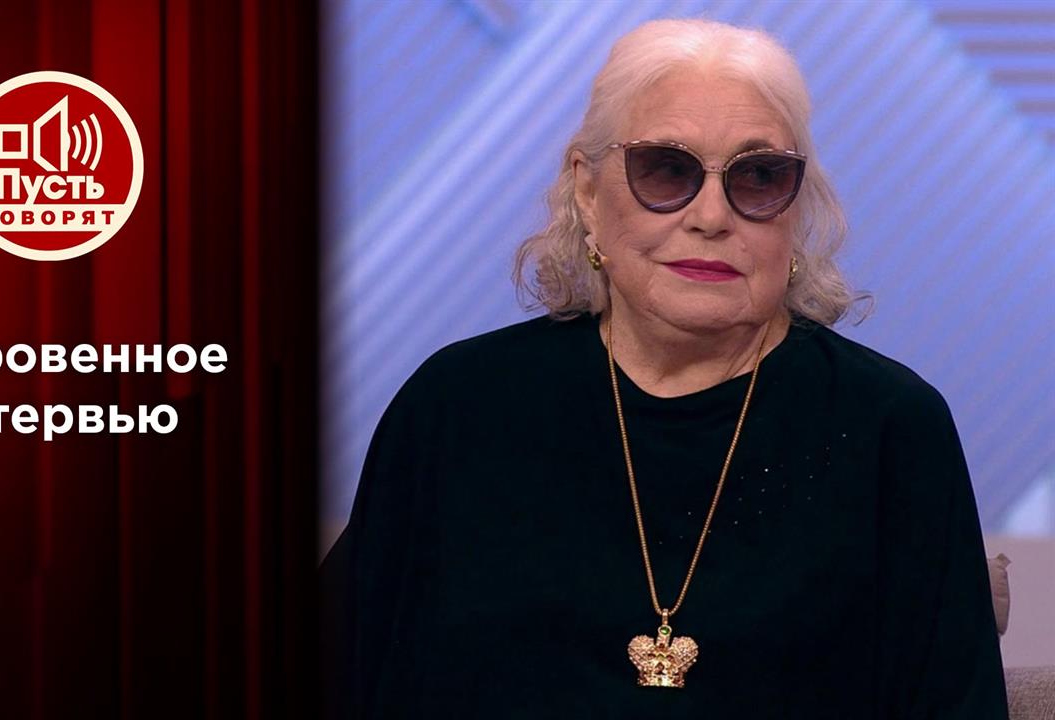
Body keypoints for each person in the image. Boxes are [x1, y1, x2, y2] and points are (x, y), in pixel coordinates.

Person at [320, 18, 1008, 719]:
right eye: (667, 170)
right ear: (588, 192)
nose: (711, 216)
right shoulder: (459, 405)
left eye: (758, 177)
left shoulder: (892, 427)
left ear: (795, 209)